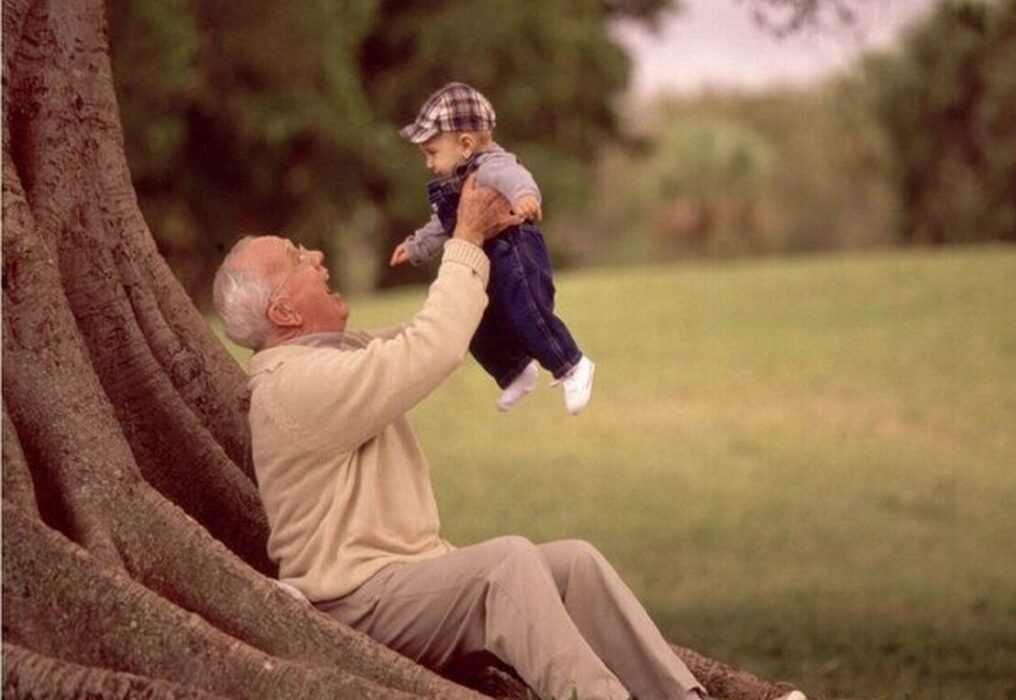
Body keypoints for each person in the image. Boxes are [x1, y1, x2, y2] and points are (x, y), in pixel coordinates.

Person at [212, 177, 805, 700]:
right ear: (286, 311)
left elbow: (433, 332)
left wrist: (494, 249)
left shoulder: (333, 359)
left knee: (576, 565)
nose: (315, 254)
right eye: (296, 257)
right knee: (507, 564)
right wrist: (466, 240)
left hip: (405, 584)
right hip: (357, 602)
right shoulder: (296, 386)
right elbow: (430, 348)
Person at [391, 82, 595, 415]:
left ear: (466, 144)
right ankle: (513, 370)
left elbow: (519, 179)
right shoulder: (454, 184)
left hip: (514, 253)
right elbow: (442, 225)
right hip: (484, 262)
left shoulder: (493, 166)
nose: (428, 163)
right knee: (469, 322)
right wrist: (415, 247)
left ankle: (572, 365)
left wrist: (524, 198)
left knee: (526, 311)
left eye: (432, 152)